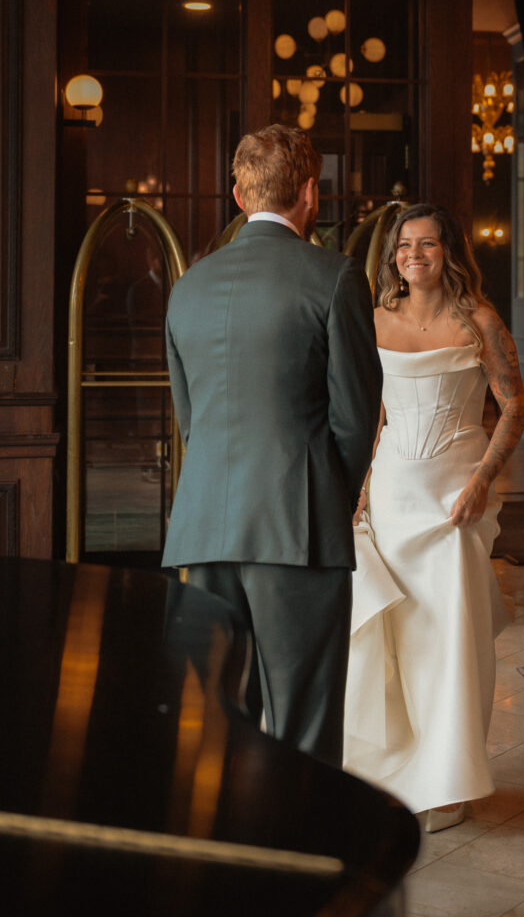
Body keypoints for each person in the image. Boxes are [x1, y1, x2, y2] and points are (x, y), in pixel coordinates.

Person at [162, 124, 383, 767]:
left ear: (238, 193)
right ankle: (303, 856)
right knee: (303, 721)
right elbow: (354, 419)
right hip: (298, 527)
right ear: (311, 191)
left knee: (216, 718)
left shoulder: (188, 287)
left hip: (203, 527)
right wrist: (327, 500)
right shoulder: (335, 277)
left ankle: (233, 850)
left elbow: (190, 419)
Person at [343, 202, 524, 829]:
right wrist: (359, 494)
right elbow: (373, 418)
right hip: (393, 496)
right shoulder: (373, 321)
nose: (413, 254)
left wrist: (483, 480)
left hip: (454, 501)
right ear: (392, 256)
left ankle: (448, 782)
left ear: (449, 252)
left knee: (453, 639)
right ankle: (398, 773)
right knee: (396, 638)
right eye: (403, 245)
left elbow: (515, 408)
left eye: (426, 244)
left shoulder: (478, 320)